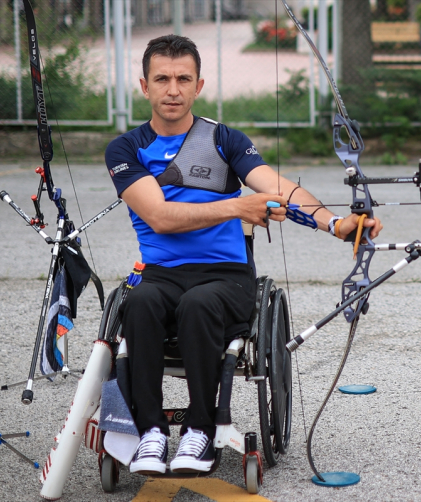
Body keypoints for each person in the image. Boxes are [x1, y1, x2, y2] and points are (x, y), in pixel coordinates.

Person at [104, 34, 382, 476]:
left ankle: (200, 431)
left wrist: (335, 224)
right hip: (160, 273)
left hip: (225, 277)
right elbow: (158, 217)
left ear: (198, 86)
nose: (173, 89)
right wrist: (237, 207)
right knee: (138, 303)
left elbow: (276, 186)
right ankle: (150, 432)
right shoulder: (125, 149)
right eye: (162, 79)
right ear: (144, 86)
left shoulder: (224, 139)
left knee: (199, 304)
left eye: (183, 79)